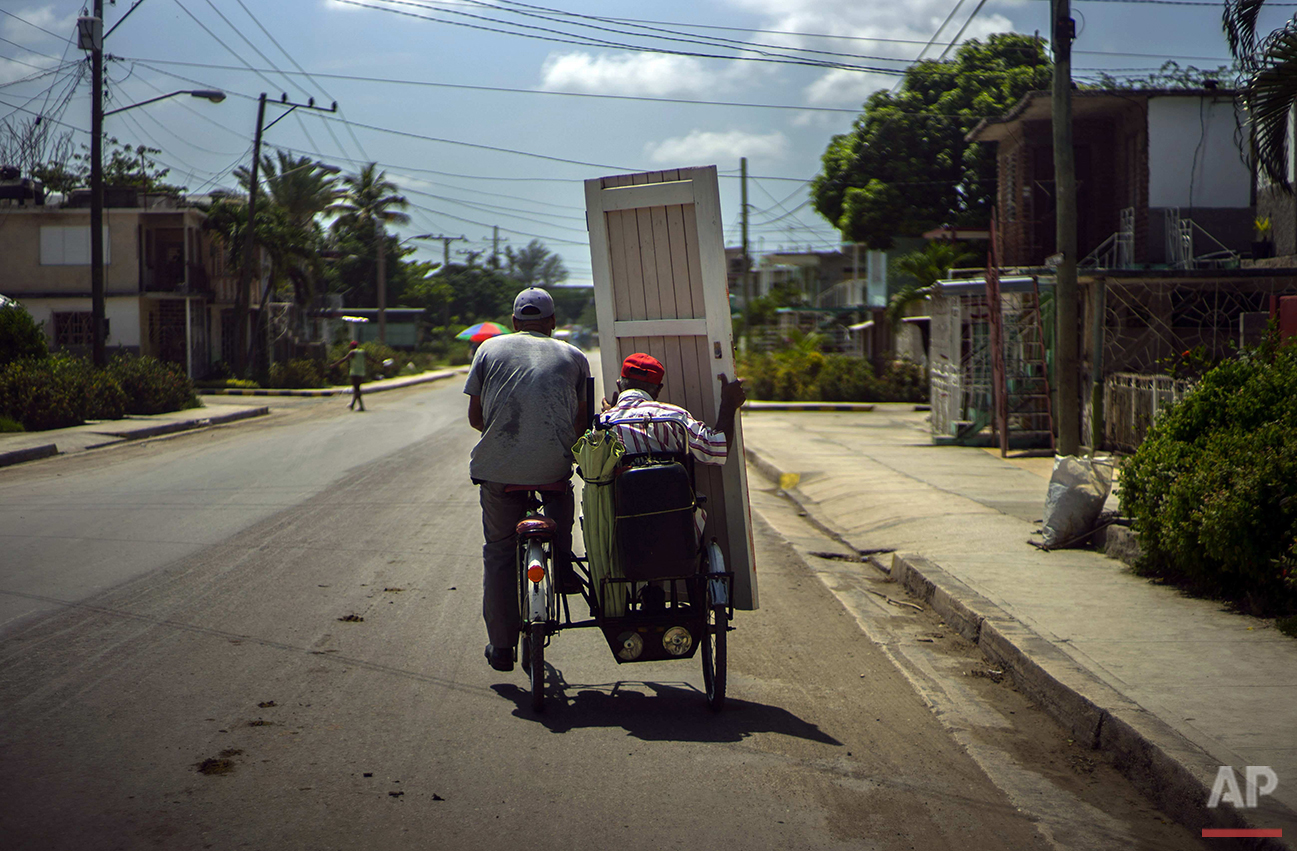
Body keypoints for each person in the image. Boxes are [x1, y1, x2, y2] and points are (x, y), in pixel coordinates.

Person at [465, 288, 590, 673]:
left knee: (500, 553)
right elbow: (582, 423)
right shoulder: (575, 356)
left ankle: (502, 648)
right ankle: (564, 563)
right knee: (561, 496)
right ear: (551, 322)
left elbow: (475, 417)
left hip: (498, 472)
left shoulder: (488, 350)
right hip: (552, 467)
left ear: (516, 321)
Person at [598, 352, 747, 467]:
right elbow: (716, 450)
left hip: (622, 507)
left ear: (619, 385)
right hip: (673, 507)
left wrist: (609, 415)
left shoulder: (603, 423)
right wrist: (728, 404)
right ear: (658, 390)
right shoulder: (674, 417)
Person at [331, 341, 370, 411]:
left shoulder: (352, 352)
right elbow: (371, 359)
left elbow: (344, 359)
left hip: (354, 373)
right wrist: (379, 363)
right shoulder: (362, 352)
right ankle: (352, 404)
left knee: (356, 389)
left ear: (351, 346)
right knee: (357, 388)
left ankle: (361, 406)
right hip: (361, 372)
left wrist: (335, 365)